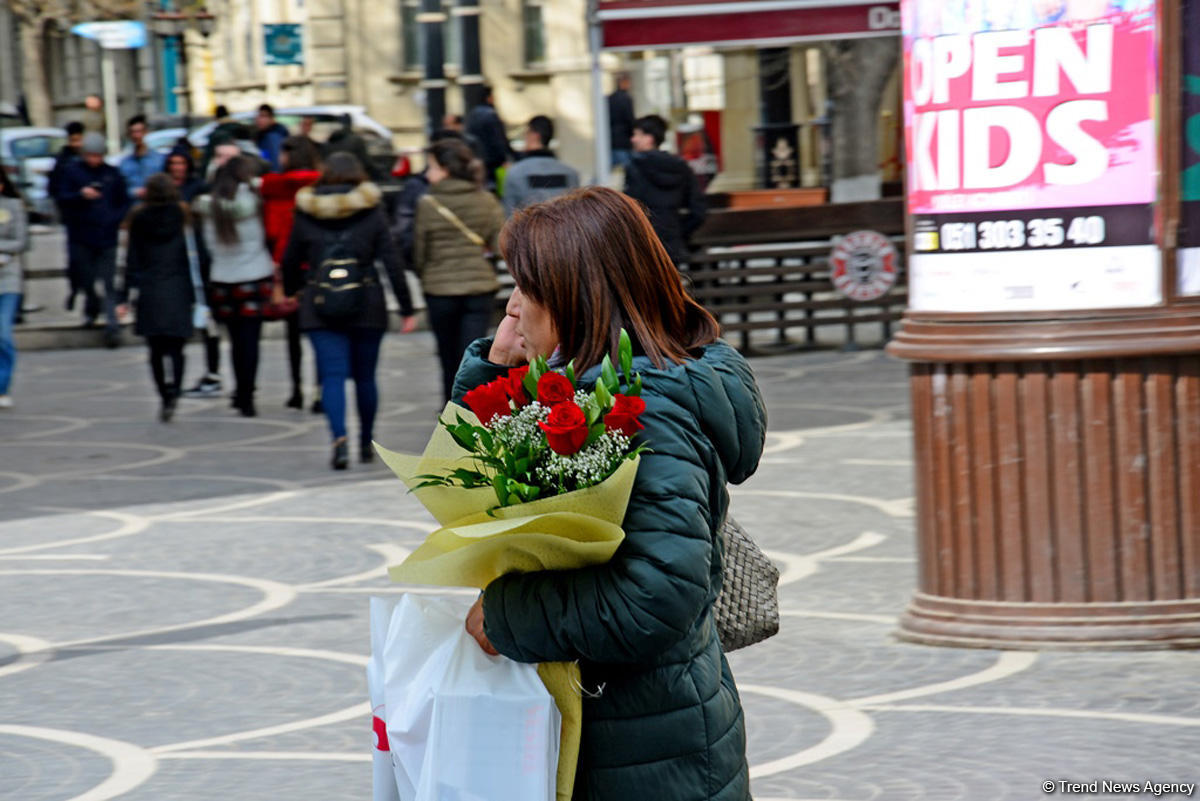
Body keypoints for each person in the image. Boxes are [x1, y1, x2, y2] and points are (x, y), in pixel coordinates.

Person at [453, 186, 765, 801]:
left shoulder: (643, 409)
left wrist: (509, 616)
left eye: (525, 287)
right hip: (623, 729)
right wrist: (496, 368)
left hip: (648, 749)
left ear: (573, 297)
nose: (512, 305)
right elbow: (473, 470)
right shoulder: (581, 384)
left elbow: (658, 597)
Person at [281, 152, 417, 469]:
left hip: (319, 303)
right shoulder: (371, 210)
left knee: (332, 377)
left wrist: (294, 290)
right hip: (367, 301)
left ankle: (339, 440)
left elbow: (290, 259)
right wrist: (406, 306)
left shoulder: (305, 211)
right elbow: (392, 261)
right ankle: (366, 442)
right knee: (365, 378)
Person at [412, 139, 504, 402]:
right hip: (479, 288)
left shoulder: (427, 204)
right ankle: (471, 406)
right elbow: (500, 246)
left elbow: (420, 252)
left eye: (431, 167)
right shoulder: (486, 200)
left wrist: (427, 274)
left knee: (447, 353)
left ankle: (449, 405)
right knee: (472, 353)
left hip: (439, 289)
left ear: (446, 169)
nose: (427, 174)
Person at [193, 156, 275, 417]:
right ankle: (247, 394)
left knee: (235, 340)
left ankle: (239, 391)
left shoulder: (209, 207)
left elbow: (207, 246)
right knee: (250, 341)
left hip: (222, 279)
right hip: (253, 276)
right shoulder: (253, 200)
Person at [123, 174, 198, 422]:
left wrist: (125, 294)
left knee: (155, 349)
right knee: (177, 348)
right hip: (178, 286)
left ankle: (163, 394)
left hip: (150, 287)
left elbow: (132, 258)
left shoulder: (139, 218)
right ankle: (175, 389)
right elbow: (195, 255)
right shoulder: (183, 216)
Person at [260, 135, 322, 410]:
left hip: (288, 267)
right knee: (321, 335)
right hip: (319, 267)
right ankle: (321, 392)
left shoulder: (274, 189)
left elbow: (272, 231)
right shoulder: (321, 186)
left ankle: (296, 389)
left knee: (293, 335)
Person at [55, 132, 129, 346]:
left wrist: (114, 219)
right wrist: (81, 195)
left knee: (108, 282)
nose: (94, 160)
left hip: (107, 236)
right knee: (86, 279)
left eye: (98, 155)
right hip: (81, 236)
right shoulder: (72, 172)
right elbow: (62, 198)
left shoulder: (112, 174)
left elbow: (123, 202)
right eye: (91, 155)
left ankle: (112, 326)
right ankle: (91, 306)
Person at [624, 114, 706, 267]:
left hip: (644, 246)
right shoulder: (681, 167)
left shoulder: (635, 167)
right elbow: (698, 211)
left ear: (649, 138)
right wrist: (678, 232)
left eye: (637, 134)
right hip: (673, 246)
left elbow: (629, 208)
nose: (633, 139)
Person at [502, 115, 579, 214]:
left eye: (526, 133)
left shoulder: (515, 174)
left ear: (534, 135)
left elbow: (509, 219)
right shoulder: (571, 174)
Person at [0, 168, 29, 409]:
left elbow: (22, 241)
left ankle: (3, 385)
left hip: (8, 279)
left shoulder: (12, 206)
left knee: (3, 334)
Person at [48, 120, 85, 311]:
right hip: (72, 217)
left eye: (79, 139)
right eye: (73, 140)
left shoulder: (89, 158)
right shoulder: (63, 161)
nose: (76, 144)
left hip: (91, 219)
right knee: (75, 258)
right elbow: (55, 189)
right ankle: (75, 289)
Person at [464, 86, 513, 190]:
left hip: (478, 159)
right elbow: (498, 139)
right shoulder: (490, 115)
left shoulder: (472, 115)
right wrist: (505, 157)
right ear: (488, 98)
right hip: (493, 162)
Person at [119, 114, 166, 200]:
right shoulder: (124, 164)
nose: (136, 136)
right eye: (133, 132)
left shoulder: (159, 160)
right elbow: (120, 190)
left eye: (139, 131)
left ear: (146, 132)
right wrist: (134, 192)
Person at [608, 72, 636, 169]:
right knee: (629, 168)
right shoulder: (625, 99)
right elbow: (629, 119)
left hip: (612, 139)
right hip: (623, 140)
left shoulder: (610, 99)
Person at [254, 104, 289, 172]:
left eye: (263, 116)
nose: (259, 119)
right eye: (258, 116)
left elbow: (276, 164)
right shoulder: (264, 135)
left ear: (271, 118)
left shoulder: (273, 136)